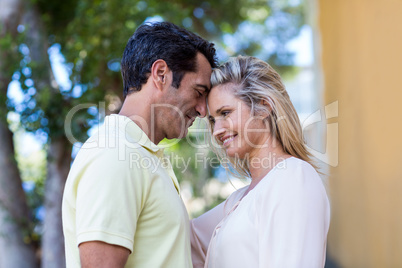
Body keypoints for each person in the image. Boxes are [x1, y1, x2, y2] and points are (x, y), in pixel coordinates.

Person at [62, 21, 217, 267]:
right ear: (161, 74)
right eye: (199, 92)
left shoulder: (142, 155)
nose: (202, 110)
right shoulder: (115, 152)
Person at [190, 55, 330, 268]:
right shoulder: (238, 200)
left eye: (225, 113)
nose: (216, 130)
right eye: (212, 120)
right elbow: (182, 240)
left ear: (263, 107)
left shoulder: (294, 177)